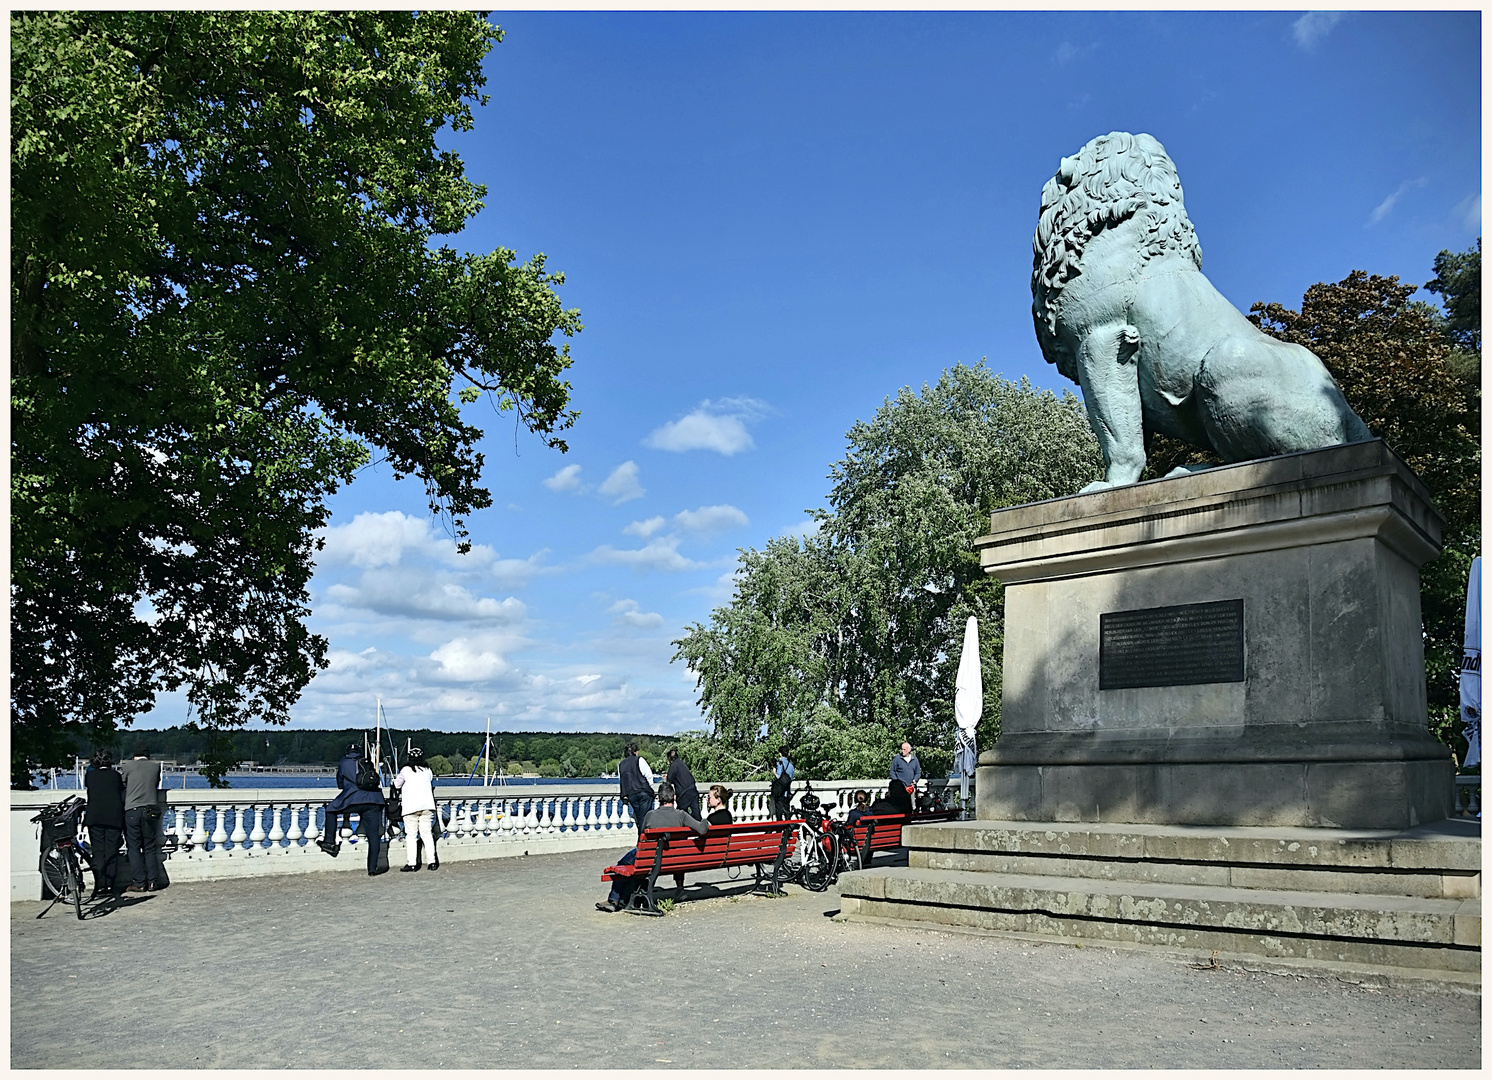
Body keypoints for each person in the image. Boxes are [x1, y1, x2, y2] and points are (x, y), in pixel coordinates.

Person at [597, 782, 708, 913]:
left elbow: (641, 838)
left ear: (658, 798)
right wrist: (705, 820)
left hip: (649, 858)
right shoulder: (681, 815)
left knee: (622, 864)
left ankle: (614, 900)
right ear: (674, 797)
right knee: (635, 863)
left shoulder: (650, 815)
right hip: (674, 858)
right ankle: (623, 899)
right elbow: (702, 829)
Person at [320, 744, 387, 876]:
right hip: (374, 800)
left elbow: (340, 783)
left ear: (347, 753)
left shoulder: (344, 763)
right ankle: (372, 868)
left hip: (354, 799)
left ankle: (329, 842)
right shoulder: (366, 762)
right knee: (373, 836)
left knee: (330, 811)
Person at [118, 746, 165, 893]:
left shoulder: (128, 766)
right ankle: (152, 881)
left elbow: (123, 783)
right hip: (150, 810)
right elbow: (155, 783)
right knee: (149, 846)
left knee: (134, 847)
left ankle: (139, 882)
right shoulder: (155, 767)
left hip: (132, 809)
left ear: (134, 756)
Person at [83, 749, 125, 899]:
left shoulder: (90, 775)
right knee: (111, 851)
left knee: (98, 850)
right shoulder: (115, 776)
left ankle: (99, 884)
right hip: (114, 817)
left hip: (95, 816)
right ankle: (109, 884)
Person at [392, 747, 438, 872]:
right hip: (427, 805)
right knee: (427, 834)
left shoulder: (406, 770)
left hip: (411, 807)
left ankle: (412, 864)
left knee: (411, 835)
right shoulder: (427, 770)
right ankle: (432, 862)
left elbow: (396, 785)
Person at [618, 741, 656, 832]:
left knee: (639, 818)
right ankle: (644, 840)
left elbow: (622, 779)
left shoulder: (621, 764)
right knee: (645, 818)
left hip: (631, 794)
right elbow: (649, 776)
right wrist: (651, 790)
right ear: (635, 752)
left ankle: (641, 838)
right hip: (643, 792)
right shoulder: (639, 760)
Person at [665, 747, 701, 819]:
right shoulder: (682, 763)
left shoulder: (673, 765)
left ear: (670, 759)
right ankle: (699, 827)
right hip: (693, 790)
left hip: (684, 793)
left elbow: (668, 781)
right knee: (696, 812)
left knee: (680, 814)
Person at [769, 745, 795, 820]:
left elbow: (778, 776)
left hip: (780, 791)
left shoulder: (780, 763)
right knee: (787, 809)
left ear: (780, 753)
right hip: (787, 791)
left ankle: (779, 826)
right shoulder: (791, 765)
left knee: (779, 808)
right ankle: (788, 826)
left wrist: (774, 772)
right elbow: (791, 778)